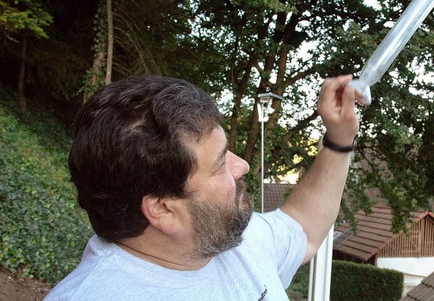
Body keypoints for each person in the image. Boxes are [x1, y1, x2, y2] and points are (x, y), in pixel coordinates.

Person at [45, 74, 361, 300]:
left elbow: (303, 231)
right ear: (163, 210)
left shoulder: (225, 238)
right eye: (221, 163)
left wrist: (339, 138)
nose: (242, 167)